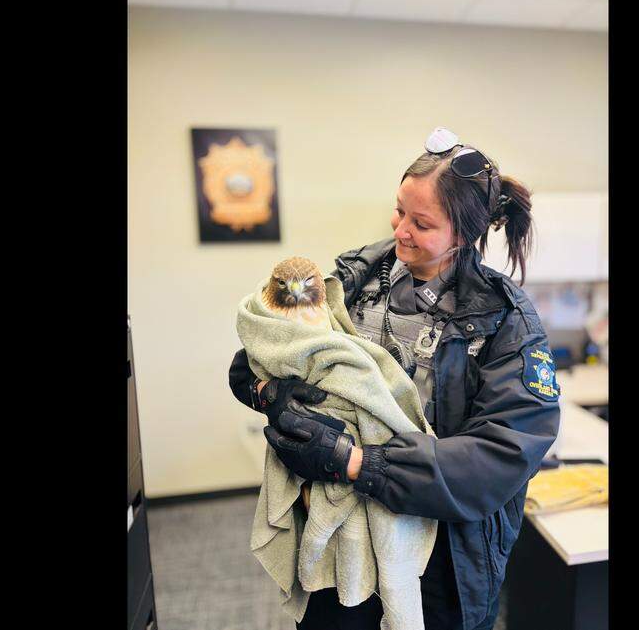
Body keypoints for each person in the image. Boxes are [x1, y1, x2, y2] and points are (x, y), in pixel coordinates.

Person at [228, 127, 561, 630]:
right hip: (339, 540)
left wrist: (356, 462)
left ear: (464, 236)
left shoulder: (504, 321)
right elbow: (270, 350)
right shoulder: (355, 281)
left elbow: (502, 455)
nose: (401, 229)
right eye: (399, 210)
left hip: (442, 558)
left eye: (422, 223)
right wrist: (266, 392)